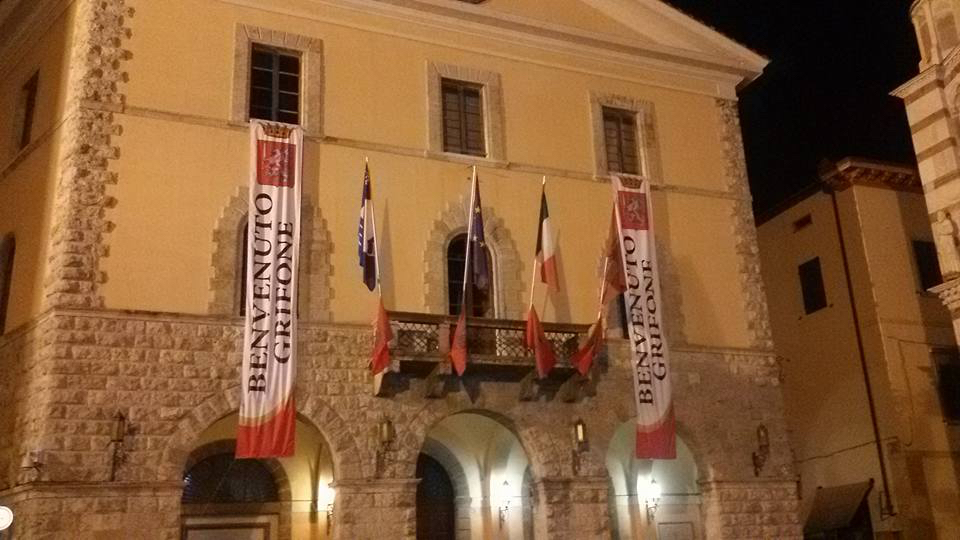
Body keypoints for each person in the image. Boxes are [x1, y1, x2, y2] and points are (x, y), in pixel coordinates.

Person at [934, 210, 960, 278]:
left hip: (948, 242)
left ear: (943, 215)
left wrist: (942, 231)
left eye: (940, 215)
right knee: (946, 257)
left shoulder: (947, 222)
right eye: (938, 216)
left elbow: (950, 230)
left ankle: (956, 269)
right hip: (943, 243)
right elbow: (937, 235)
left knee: (952, 255)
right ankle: (949, 270)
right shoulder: (937, 225)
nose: (939, 217)